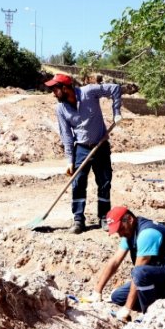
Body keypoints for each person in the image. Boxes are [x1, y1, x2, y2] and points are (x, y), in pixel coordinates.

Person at [89, 206, 165, 321]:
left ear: (130, 220)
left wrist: (127, 309)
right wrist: (97, 291)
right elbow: (115, 261)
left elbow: (139, 271)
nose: (120, 234)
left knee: (139, 273)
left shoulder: (147, 234)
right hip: (161, 273)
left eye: (120, 228)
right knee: (117, 297)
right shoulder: (130, 232)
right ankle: (156, 302)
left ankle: (149, 315)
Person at [45, 73, 123, 234]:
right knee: (78, 182)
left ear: (65, 88)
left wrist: (116, 112)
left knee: (104, 182)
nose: (53, 93)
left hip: (100, 146)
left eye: (55, 89)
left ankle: (104, 217)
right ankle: (78, 219)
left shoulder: (89, 92)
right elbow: (66, 135)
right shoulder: (60, 108)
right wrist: (69, 160)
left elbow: (115, 88)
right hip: (81, 148)